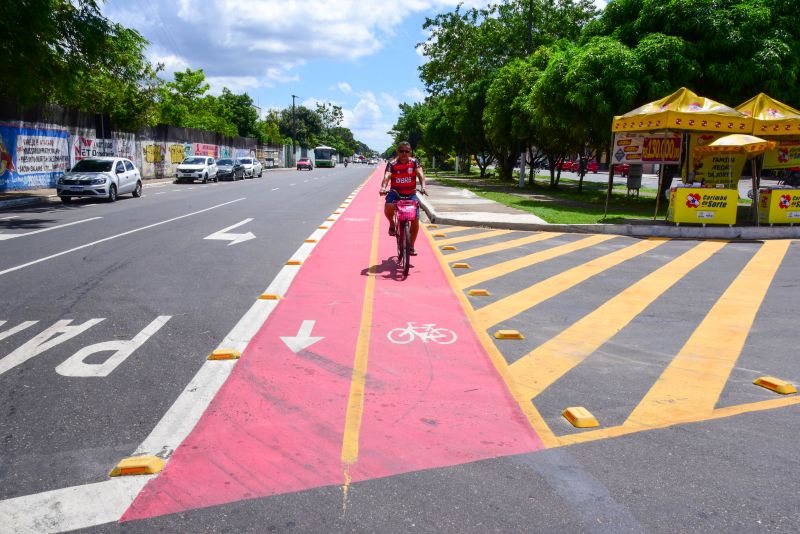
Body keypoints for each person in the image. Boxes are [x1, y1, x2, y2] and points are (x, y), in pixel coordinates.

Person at [379, 141, 427, 255]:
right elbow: (387, 176)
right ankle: (391, 223)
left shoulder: (414, 162)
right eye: (401, 151)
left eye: (407, 151)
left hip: (411, 193)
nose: (404, 154)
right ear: (397, 152)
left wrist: (423, 187)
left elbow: (421, 174)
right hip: (395, 193)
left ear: (410, 152)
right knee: (388, 205)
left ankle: (411, 246)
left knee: (415, 219)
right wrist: (383, 187)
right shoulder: (392, 163)